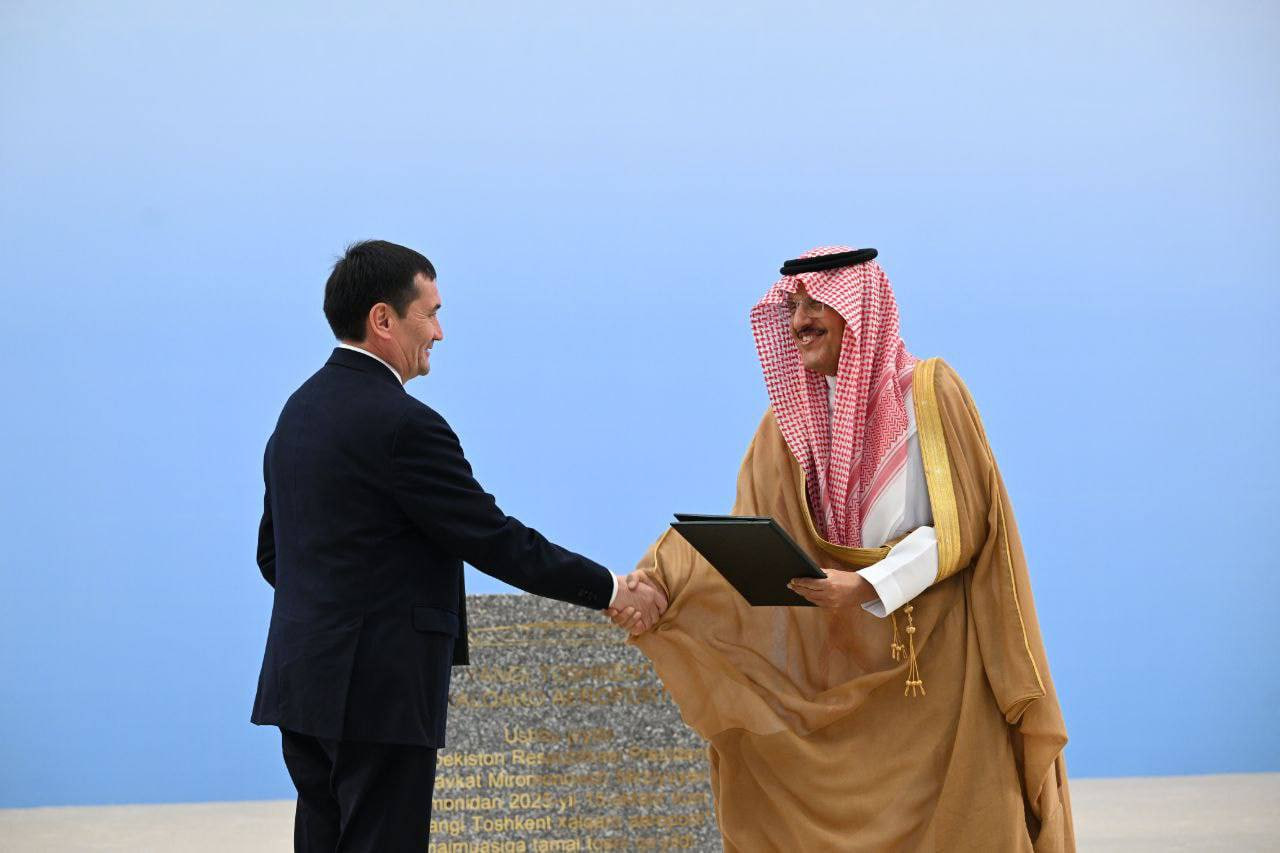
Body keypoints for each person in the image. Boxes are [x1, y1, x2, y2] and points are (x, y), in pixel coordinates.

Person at [611, 246, 1074, 851]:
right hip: (840, 662)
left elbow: (963, 525)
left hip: (936, 666)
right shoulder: (786, 425)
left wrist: (867, 584)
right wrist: (657, 580)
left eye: (817, 303)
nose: (800, 320)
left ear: (860, 307)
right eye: (792, 306)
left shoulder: (929, 392)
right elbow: (747, 530)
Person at [251, 239, 667, 852]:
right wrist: (610, 589)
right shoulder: (405, 425)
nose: (439, 333)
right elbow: (493, 539)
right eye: (430, 313)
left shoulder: (297, 412)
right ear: (383, 319)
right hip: (380, 693)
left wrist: (334, 619)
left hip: (302, 684)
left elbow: (274, 556)